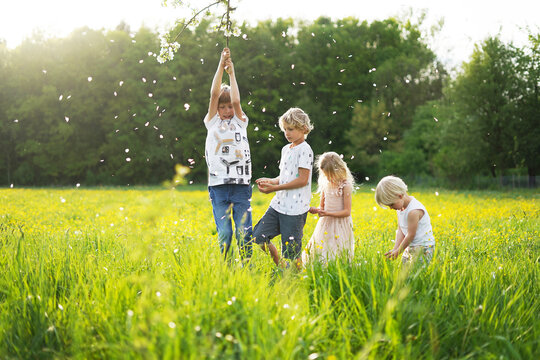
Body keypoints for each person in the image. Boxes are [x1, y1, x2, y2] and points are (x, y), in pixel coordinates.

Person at [204, 48, 252, 261]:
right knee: (225, 233)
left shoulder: (240, 122)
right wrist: (221, 64)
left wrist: (232, 73)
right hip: (219, 186)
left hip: (241, 186)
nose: (226, 111)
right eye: (222, 107)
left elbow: (237, 102)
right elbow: (214, 94)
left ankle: (247, 268)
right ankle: (227, 270)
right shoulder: (212, 122)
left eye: (228, 107)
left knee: (244, 234)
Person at [253, 107, 314, 269]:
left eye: (291, 129)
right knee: (258, 237)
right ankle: (281, 266)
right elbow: (285, 177)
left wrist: (275, 188)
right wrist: (272, 181)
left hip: (294, 210)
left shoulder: (305, 150)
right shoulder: (286, 149)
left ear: (304, 129)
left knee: (292, 253)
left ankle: (298, 278)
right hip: (278, 205)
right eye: (285, 129)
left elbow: (302, 180)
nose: (287, 133)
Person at [302, 152, 355, 264]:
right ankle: (322, 271)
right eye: (326, 175)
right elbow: (322, 207)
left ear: (339, 171)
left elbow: (346, 212)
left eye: (331, 175)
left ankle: (338, 272)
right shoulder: (325, 184)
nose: (328, 178)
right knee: (322, 249)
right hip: (326, 223)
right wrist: (316, 210)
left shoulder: (346, 186)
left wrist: (327, 213)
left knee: (338, 250)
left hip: (340, 224)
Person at [375, 175, 435, 264]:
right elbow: (401, 230)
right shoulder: (400, 208)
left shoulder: (413, 211)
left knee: (416, 274)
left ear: (399, 196)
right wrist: (395, 249)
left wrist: (399, 251)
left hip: (423, 247)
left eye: (391, 204)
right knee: (405, 272)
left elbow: (411, 235)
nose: (391, 208)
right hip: (410, 245)